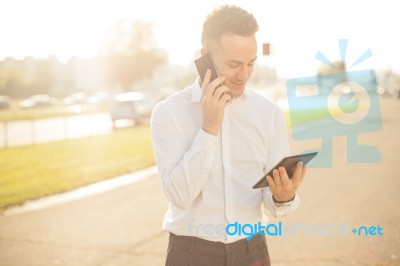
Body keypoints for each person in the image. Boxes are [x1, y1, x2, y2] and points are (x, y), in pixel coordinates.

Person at [151, 5, 307, 266]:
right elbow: (179, 196)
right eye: (234, 64)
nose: (244, 75)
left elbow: (273, 202)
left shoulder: (269, 114)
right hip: (190, 254)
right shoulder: (168, 113)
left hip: (252, 250)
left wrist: (283, 196)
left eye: (251, 63)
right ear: (206, 56)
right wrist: (209, 128)